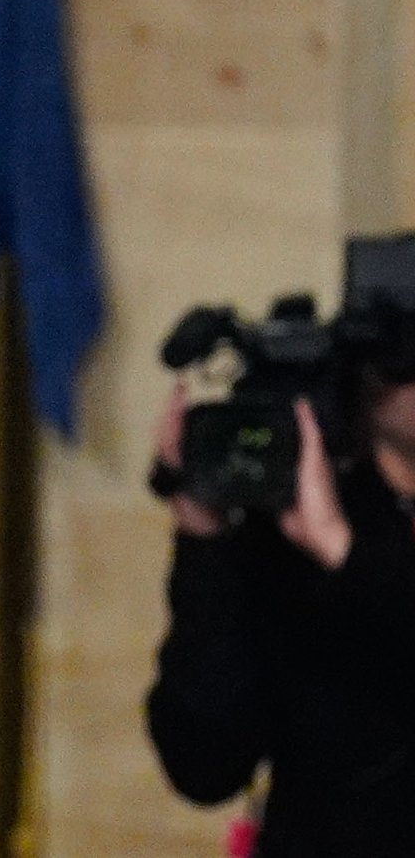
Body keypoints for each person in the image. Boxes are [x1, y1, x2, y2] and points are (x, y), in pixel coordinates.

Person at [147, 366, 415, 855]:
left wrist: (345, 555)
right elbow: (205, 767)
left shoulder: (330, 534)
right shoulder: (300, 519)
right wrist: (204, 539)